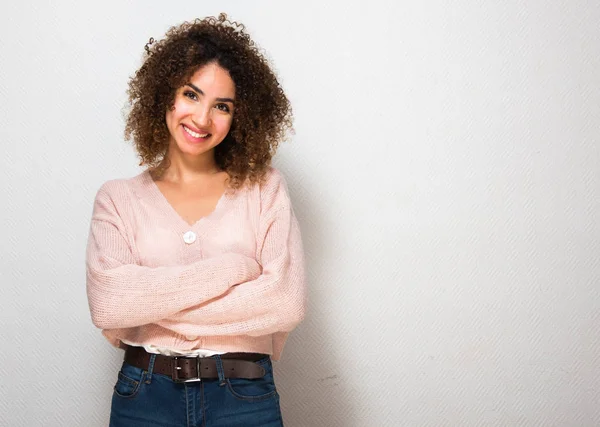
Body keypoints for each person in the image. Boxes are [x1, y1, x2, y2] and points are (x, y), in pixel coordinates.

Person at [85, 13, 306, 427]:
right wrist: (233, 270)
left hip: (244, 398)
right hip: (143, 397)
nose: (202, 119)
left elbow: (285, 303)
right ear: (164, 95)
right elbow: (108, 305)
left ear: (240, 116)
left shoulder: (265, 189)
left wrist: (146, 306)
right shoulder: (117, 199)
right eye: (191, 94)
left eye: (221, 106)